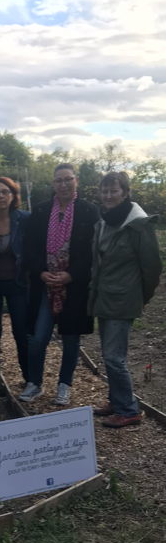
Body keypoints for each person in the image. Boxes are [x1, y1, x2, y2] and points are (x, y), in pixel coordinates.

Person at [89, 171, 162, 428]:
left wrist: (143, 297)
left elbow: (152, 268)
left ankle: (129, 410)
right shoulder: (103, 223)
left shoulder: (138, 225)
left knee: (114, 357)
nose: (108, 196)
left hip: (123, 301)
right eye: (104, 191)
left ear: (125, 193)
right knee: (108, 355)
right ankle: (117, 400)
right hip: (105, 299)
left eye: (114, 191)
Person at [21, 163, 99, 405]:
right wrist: (41, 272)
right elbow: (30, 245)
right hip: (45, 284)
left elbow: (91, 251)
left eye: (68, 179)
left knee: (72, 338)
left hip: (73, 285)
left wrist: (71, 274)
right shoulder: (42, 211)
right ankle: (35, 383)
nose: (64, 184)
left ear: (77, 181)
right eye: (59, 180)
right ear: (53, 184)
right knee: (38, 338)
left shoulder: (89, 211)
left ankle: (64, 385)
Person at [0, 177, 30, 391]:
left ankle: (30, 378)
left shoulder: (25, 219)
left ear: (13, 195)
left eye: (5, 192)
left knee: (22, 332)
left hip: (18, 283)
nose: (1, 196)